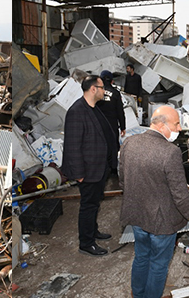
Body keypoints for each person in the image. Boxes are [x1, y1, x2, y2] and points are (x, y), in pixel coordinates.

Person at [119, 106, 189, 298]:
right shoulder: (170, 152)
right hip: (161, 222)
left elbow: (123, 180)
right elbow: (180, 194)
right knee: (158, 264)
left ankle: (137, 294)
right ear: (162, 125)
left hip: (137, 215)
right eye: (176, 124)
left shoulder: (129, 142)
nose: (179, 129)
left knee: (141, 257)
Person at [63, 75, 117, 256]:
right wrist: (79, 174)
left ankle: (93, 232)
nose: (104, 91)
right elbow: (73, 145)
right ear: (93, 89)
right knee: (88, 206)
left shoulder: (94, 108)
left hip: (99, 168)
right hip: (88, 170)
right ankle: (86, 243)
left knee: (94, 204)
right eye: (102, 88)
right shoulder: (77, 111)